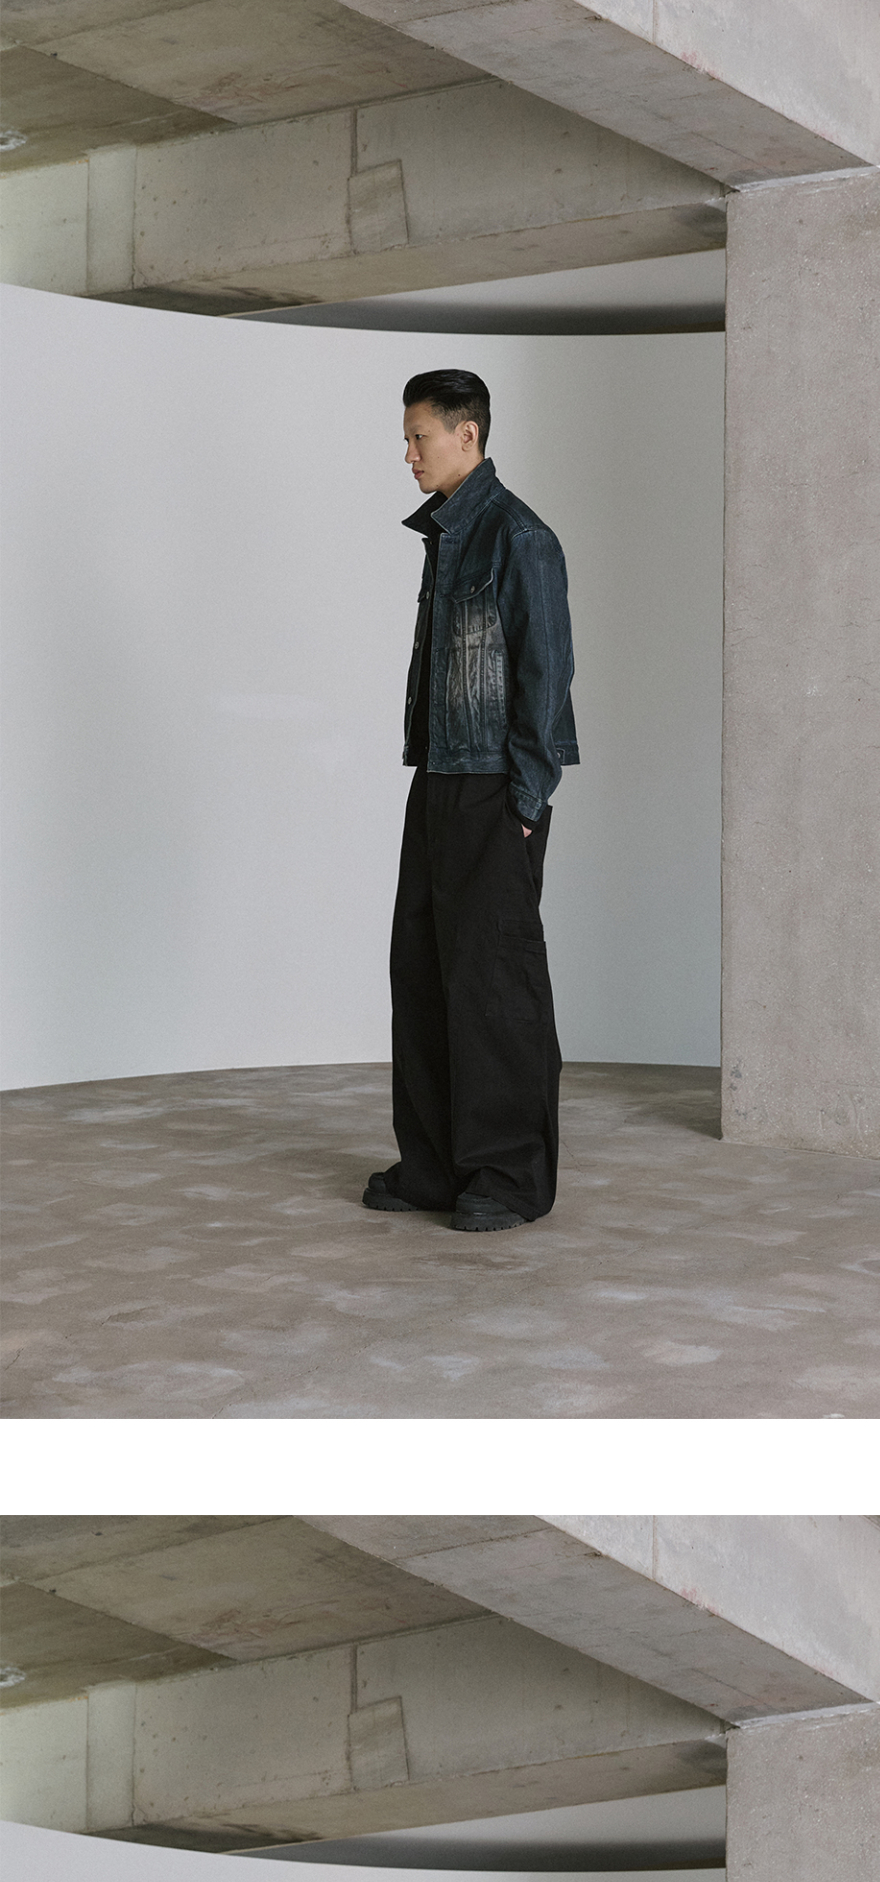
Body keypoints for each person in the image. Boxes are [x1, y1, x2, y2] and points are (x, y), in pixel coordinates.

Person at [363, 366, 577, 1235]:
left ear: (468, 435)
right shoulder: (448, 533)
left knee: (494, 985)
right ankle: (434, 1169)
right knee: (421, 972)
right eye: (407, 438)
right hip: (440, 779)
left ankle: (507, 1176)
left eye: (419, 437)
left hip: (494, 787)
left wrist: (525, 799)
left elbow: (547, 676)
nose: (408, 454)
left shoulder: (521, 537)